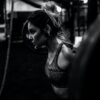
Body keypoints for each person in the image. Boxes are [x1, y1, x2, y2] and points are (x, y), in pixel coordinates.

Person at [22, 9, 74, 100]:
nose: (30, 37)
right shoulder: (49, 48)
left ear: (47, 29)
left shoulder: (65, 52)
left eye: (33, 31)